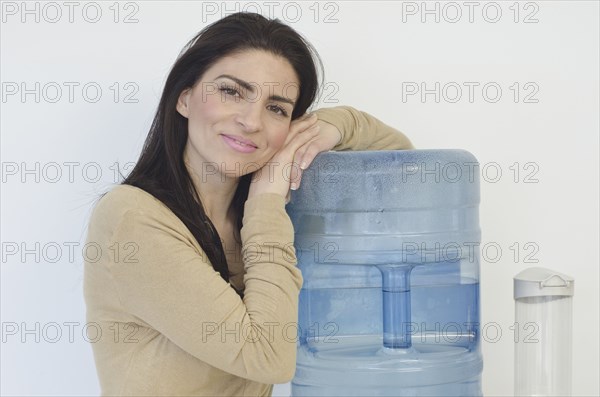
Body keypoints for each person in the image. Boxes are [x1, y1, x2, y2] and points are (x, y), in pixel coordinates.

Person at [83, 12, 413, 397]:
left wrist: (330, 126)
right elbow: (267, 356)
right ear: (184, 97)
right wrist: (267, 200)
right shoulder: (132, 219)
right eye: (231, 91)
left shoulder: (263, 214)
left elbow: (401, 164)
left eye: (277, 108)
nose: (251, 120)